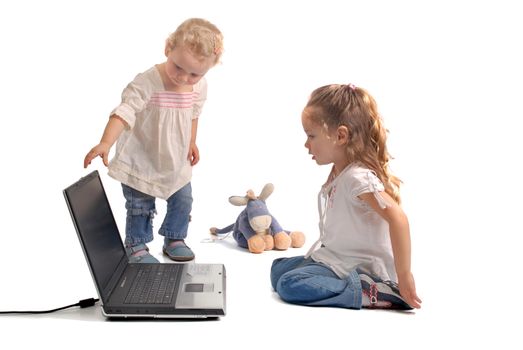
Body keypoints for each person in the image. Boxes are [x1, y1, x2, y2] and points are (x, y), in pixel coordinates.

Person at [83, 18, 224, 263]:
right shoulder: (147, 82)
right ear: (168, 48)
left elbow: (193, 114)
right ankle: (136, 245)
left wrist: (191, 141)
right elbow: (124, 112)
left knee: (183, 198)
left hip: (175, 158)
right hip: (142, 157)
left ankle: (175, 237)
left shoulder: (199, 86)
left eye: (194, 74)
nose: (183, 78)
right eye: (178, 67)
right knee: (140, 204)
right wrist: (105, 143)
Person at [270, 83, 422, 310]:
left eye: (311, 136)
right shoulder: (341, 171)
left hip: (357, 266)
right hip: (336, 257)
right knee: (278, 268)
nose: (306, 144)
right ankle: (341, 282)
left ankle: (369, 291)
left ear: (340, 136)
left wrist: (404, 274)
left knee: (289, 284)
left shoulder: (357, 178)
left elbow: (398, 218)